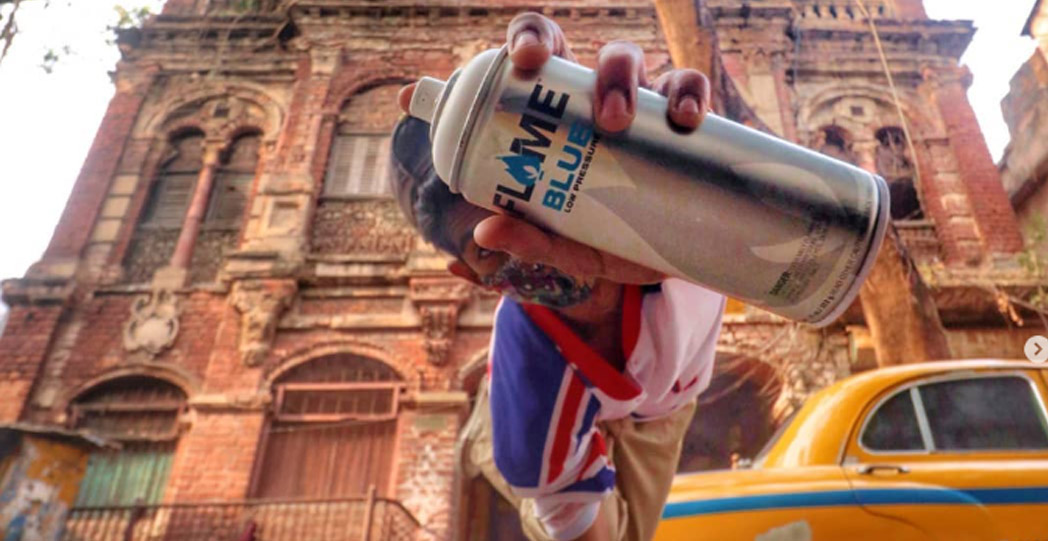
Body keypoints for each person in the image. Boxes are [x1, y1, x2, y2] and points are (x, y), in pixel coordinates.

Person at [389, 13, 725, 541]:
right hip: (538, 409)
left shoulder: (686, 230)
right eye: (497, 250)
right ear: (473, 279)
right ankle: (490, 442)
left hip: (657, 409)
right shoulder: (531, 397)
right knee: (539, 479)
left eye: (541, 212)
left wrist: (693, 151)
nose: (545, 254)